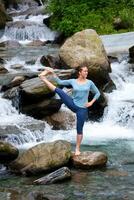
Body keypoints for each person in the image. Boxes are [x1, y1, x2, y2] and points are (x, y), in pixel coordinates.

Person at [38, 64, 100, 156]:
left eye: (87, 71)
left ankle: (77, 149)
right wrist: (53, 73)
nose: (86, 72)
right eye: (84, 71)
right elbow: (59, 82)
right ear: (80, 72)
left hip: (82, 109)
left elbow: (97, 93)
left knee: (79, 129)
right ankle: (43, 78)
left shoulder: (89, 83)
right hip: (73, 104)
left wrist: (91, 102)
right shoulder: (73, 81)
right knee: (60, 91)